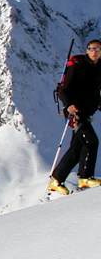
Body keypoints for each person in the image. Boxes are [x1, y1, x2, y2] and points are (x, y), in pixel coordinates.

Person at [48, 38, 101, 195]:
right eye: (92, 48)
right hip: (76, 112)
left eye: (98, 48)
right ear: (86, 50)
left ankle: (56, 181)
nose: (95, 51)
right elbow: (63, 90)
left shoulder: (99, 68)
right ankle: (85, 177)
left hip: (87, 111)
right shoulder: (78, 66)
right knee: (91, 141)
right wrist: (69, 105)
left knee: (77, 149)